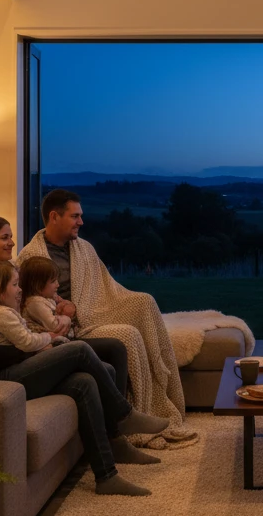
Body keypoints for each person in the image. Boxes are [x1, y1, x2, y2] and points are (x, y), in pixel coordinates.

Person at [0, 226, 167, 496]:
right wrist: (30, 351)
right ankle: (122, 415)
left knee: (85, 380)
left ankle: (106, 475)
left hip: (4, 365)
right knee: (79, 350)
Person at [16, 189, 203, 448]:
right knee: (126, 335)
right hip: (58, 325)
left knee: (144, 301)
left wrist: (78, 309)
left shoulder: (84, 249)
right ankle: (128, 416)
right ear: (54, 216)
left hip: (89, 313)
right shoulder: (29, 256)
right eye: (75, 216)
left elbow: (106, 287)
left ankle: (159, 388)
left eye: (81, 216)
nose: (81, 222)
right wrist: (61, 312)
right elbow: (26, 305)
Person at [0, 213, 140, 430]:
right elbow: (22, 319)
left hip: (43, 336)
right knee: (82, 352)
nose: (12, 242)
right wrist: (47, 335)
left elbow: (41, 296)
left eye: (11, 237)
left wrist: (67, 307)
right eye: (4, 238)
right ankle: (122, 417)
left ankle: (117, 429)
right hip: (31, 346)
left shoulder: (13, 268)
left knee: (115, 348)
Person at [0, 260, 59, 352]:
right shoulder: (2, 313)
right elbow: (27, 342)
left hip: (23, 357)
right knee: (72, 350)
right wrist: (49, 336)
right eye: (15, 284)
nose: (19, 289)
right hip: (17, 364)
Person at [20, 256, 75, 339]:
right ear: (37, 285)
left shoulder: (47, 297)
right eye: (53, 281)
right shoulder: (35, 303)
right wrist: (65, 318)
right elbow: (54, 326)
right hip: (47, 342)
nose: (58, 285)